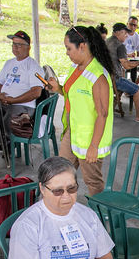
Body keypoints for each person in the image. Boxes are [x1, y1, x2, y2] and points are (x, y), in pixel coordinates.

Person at [8, 157, 114, 259]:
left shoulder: (89, 216)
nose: (66, 196)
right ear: (42, 188)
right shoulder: (28, 225)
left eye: (71, 188)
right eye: (58, 191)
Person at [47, 26, 115, 197]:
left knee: (92, 181)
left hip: (90, 138)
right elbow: (73, 94)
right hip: (73, 131)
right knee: (60, 173)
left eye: (69, 48)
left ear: (82, 46)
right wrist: (59, 89)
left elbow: (103, 114)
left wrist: (93, 146)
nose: (67, 53)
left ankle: (99, 214)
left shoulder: (98, 76)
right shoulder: (75, 68)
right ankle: (63, 209)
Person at [0, 30, 44, 143]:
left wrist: (14, 100)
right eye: (13, 44)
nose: (15, 47)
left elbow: (36, 92)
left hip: (23, 106)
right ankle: (3, 141)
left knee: (8, 117)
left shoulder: (33, 66)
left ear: (28, 47)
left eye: (19, 45)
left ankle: (7, 142)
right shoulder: (9, 63)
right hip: (6, 102)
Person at [107, 22, 139, 123]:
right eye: (125, 34)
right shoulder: (120, 45)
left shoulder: (107, 41)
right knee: (137, 90)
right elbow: (126, 65)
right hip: (115, 79)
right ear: (119, 33)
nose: (126, 36)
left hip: (106, 77)